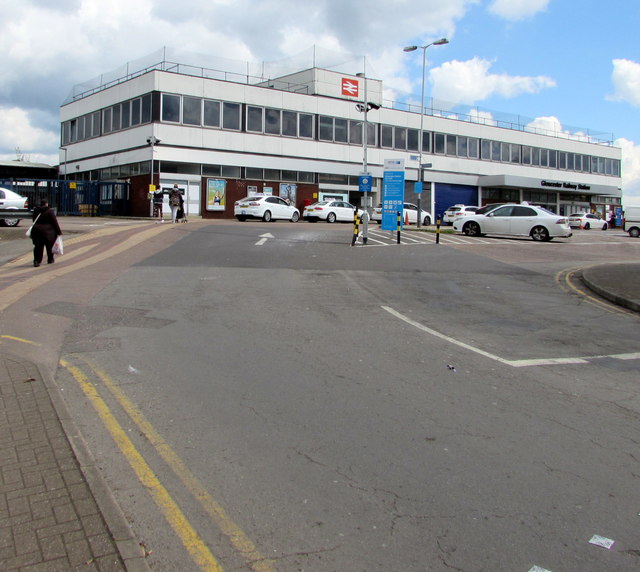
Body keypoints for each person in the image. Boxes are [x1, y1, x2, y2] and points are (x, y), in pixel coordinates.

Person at [31, 199, 62, 267]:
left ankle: (37, 261)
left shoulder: (36, 211)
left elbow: (34, 220)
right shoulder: (50, 211)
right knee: (49, 246)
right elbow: (54, 222)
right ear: (46, 204)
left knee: (38, 247)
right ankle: (50, 259)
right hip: (48, 232)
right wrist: (59, 232)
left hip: (37, 231)